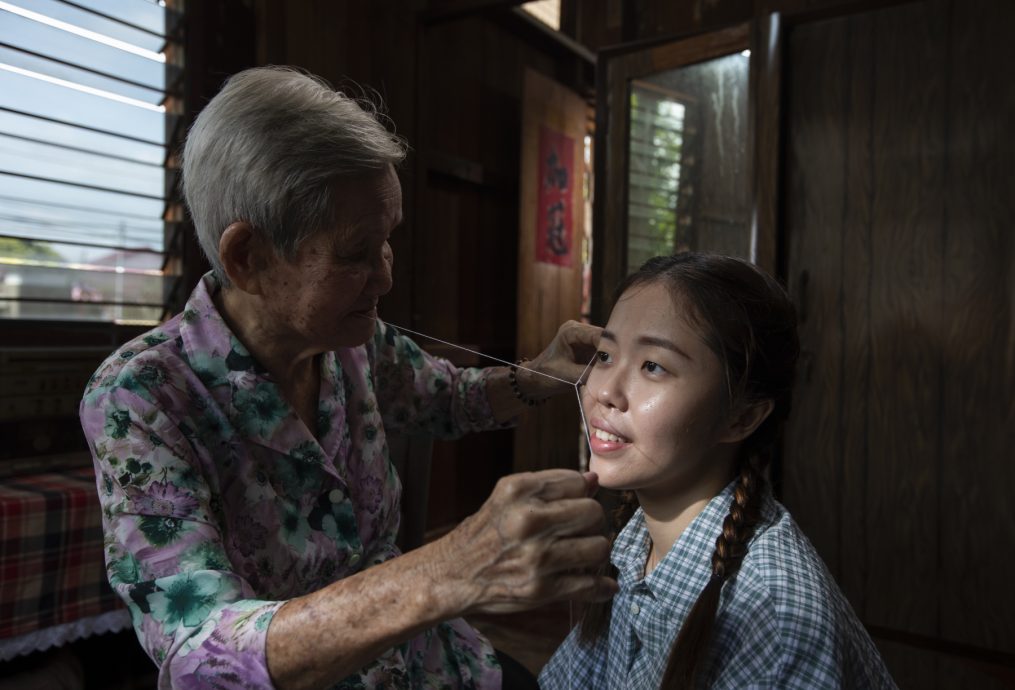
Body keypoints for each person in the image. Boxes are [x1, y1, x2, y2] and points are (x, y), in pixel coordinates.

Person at [79, 66, 616, 690]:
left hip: (430, 662)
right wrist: (454, 567)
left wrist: (538, 375)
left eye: (388, 240)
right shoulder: (140, 398)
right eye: (356, 252)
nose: (386, 277)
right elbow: (201, 655)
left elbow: (448, 398)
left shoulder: (350, 342)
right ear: (248, 257)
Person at [539, 253, 897, 689]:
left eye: (653, 366)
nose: (605, 391)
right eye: (605, 355)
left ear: (741, 418)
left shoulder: (774, 614)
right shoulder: (638, 538)